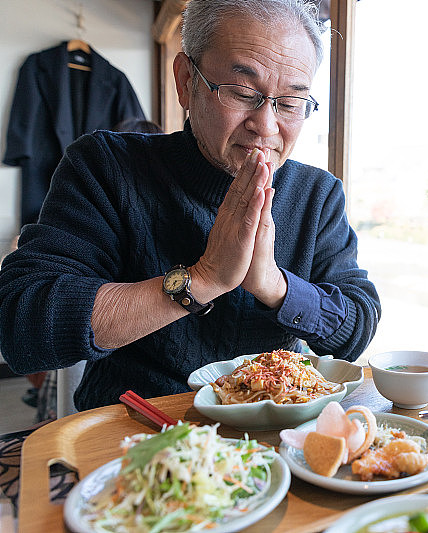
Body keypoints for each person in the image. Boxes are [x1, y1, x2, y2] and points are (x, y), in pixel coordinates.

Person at [0, 0, 380, 411]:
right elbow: (22, 325)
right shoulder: (106, 167)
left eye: (290, 103)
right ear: (186, 80)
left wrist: (273, 284)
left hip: (274, 440)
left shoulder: (317, 194)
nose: (266, 127)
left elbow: (356, 327)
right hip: (135, 431)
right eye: (242, 92)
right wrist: (203, 278)